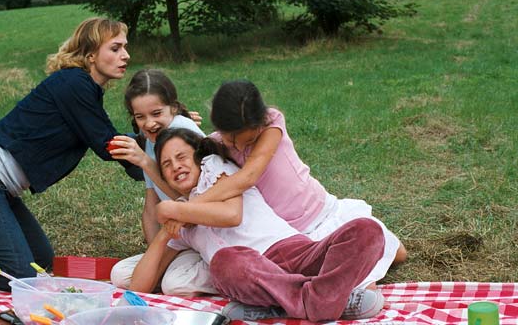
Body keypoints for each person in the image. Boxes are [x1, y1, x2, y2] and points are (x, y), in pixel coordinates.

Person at [0, 17, 144, 290]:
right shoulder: (74, 83)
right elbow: (108, 144)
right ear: (91, 54)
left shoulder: (81, 86)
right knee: (23, 276)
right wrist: (155, 152)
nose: (126, 55)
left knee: (41, 261)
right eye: (116, 48)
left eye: (125, 47)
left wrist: (159, 134)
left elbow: (108, 137)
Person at [130, 128, 387, 322]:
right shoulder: (182, 226)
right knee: (224, 262)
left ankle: (281, 304)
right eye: (166, 164)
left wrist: (173, 209)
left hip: (292, 251)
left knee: (367, 230)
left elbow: (232, 215)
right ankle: (326, 301)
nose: (176, 166)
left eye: (181, 157)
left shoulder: (216, 170)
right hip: (252, 274)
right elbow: (139, 286)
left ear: (199, 159)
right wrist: (164, 232)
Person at [183, 79, 407, 291]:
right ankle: (340, 291)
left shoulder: (271, 124)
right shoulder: (215, 143)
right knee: (361, 281)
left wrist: (187, 210)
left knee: (398, 253)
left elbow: (248, 176)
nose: (239, 147)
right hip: (293, 235)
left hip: (321, 210)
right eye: (231, 140)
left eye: (248, 141)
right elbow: (173, 144)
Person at [106, 69, 216, 296]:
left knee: (175, 285)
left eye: (156, 113)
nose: (149, 123)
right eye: (140, 117)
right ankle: (176, 272)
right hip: (182, 237)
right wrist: (153, 256)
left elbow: (189, 201)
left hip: (208, 231)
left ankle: (227, 274)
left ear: (173, 108)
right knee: (120, 275)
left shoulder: (181, 133)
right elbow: (151, 205)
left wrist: (146, 163)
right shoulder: (151, 140)